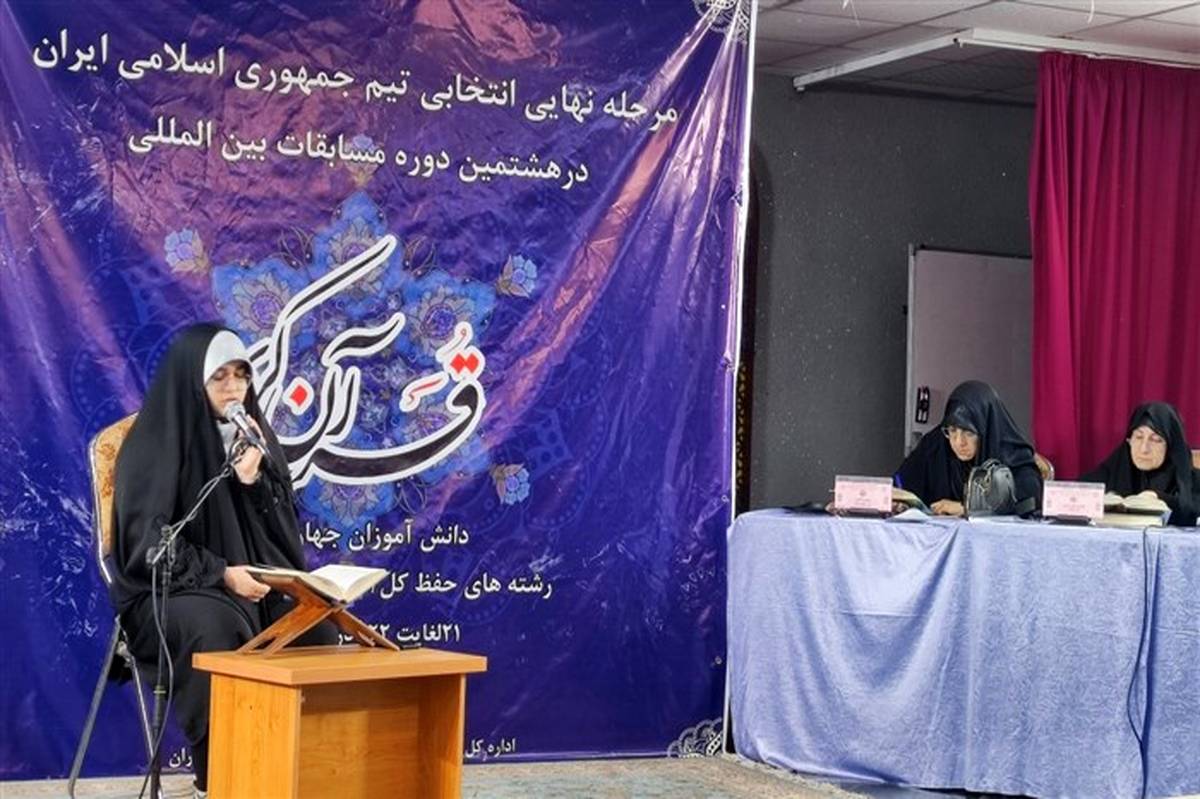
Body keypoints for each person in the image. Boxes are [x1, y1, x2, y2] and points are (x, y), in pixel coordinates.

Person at [107, 323, 336, 797]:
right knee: (217, 628)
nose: (234, 388)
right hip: (168, 592)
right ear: (193, 380)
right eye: (220, 377)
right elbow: (147, 546)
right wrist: (220, 574)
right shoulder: (154, 444)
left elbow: (283, 536)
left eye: (242, 375)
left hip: (248, 583)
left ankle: (296, 773)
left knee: (314, 628)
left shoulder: (253, 438)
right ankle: (219, 778)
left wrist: (254, 484)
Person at [896, 380, 1042, 516]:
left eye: (969, 432)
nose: (959, 442)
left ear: (986, 429)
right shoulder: (936, 444)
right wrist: (897, 501)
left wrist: (967, 509)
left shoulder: (1012, 454)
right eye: (952, 430)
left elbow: (1029, 501)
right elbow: (902, 483)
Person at [1081, 401, 1199, 526]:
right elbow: (1073, 495)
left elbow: (1191, 508)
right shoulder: (1111, 471)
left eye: (1155, 440)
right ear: (1129, 440)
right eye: (1138, 437)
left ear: (1171, 447)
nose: (1144, 449)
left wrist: (1161, 499)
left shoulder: (1193, 482)